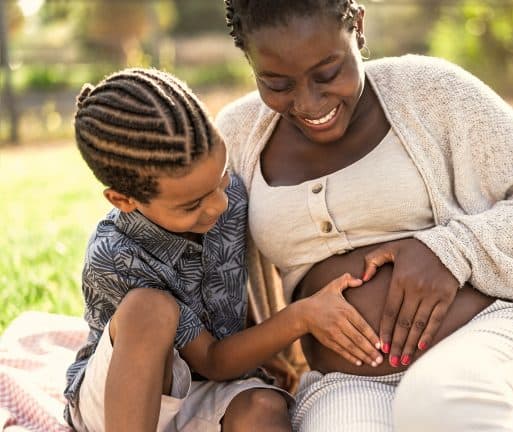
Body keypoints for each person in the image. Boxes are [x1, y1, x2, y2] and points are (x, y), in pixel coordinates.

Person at [218, 1, 513, 431]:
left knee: (437, 403)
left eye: (327, 73)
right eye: (277, 83)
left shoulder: (429, 89)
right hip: (346, 382)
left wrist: (450, 250)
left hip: (495, 339)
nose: (308, 102)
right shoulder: (237, 136)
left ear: (358, 29)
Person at [63, 68, 385, 432]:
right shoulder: (114, 254)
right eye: (192, 205)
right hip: (118, 409)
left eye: (221, 180)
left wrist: (264, 348)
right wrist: (303, 316)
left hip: (205, 392)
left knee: (264, 405)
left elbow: (223, 292)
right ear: (123, 200)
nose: (217, 205)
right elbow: (213, 359)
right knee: (149, 309)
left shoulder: (229, 200)